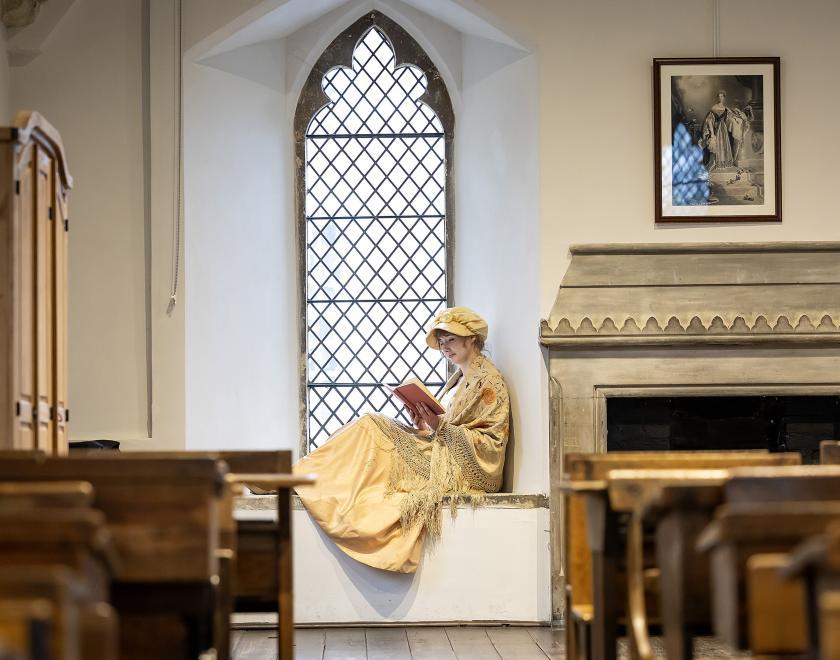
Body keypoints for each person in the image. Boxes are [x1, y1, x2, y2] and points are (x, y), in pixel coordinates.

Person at [293, 307, 510, 573]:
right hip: (438, 450)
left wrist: (438, 425)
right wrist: (422, 422)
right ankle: (308, 475)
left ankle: (306, 477)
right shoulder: (458, 380)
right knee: (368, 425)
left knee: (371, 424)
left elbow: (491, 445)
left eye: (450, 339)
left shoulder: (490, 381)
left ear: (472, 339)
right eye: (441, 341)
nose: (444, 347)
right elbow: (442, 430)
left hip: (454, 468)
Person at [701, 90, 735, 170]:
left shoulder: (726, 108)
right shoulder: (714, 108)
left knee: (724, 143)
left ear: (724, 97)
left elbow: (729, 119)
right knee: (718, 144)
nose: (720, 98)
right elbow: (709, 120)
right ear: (717, 97)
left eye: (722, 96)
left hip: (724, 129)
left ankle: (724, 162)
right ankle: (716, 162)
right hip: (717, 128)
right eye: (719, 96)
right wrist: (712, 133)